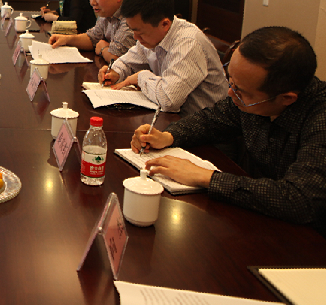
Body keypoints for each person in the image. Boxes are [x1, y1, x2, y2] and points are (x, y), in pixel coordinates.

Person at [131, 26, 326, 236]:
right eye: (230, 80)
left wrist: (206, 177)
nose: (230, 93)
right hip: (261, 220)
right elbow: (212, 119)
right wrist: (168, 136)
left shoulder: (320, 118)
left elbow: (300, 200)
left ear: (286, 99)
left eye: (240, 91)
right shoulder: (251, 95)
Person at [99, 0, 227, 115]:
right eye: (133, 31)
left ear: (165, 24)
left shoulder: (188, 43)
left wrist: (141, 77)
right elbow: (130, 61)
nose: (135, 37)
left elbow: (168, 100)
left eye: (140, 32)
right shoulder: (152, 36)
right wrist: (115, 72)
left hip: (203, 122)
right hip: (174, 118)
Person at [47, 0, 136, 62]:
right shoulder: (106, 12)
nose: (92, 2)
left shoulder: (131, 17)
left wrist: (103, 48)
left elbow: (117, 59)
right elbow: (92, 38)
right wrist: (66, 39)